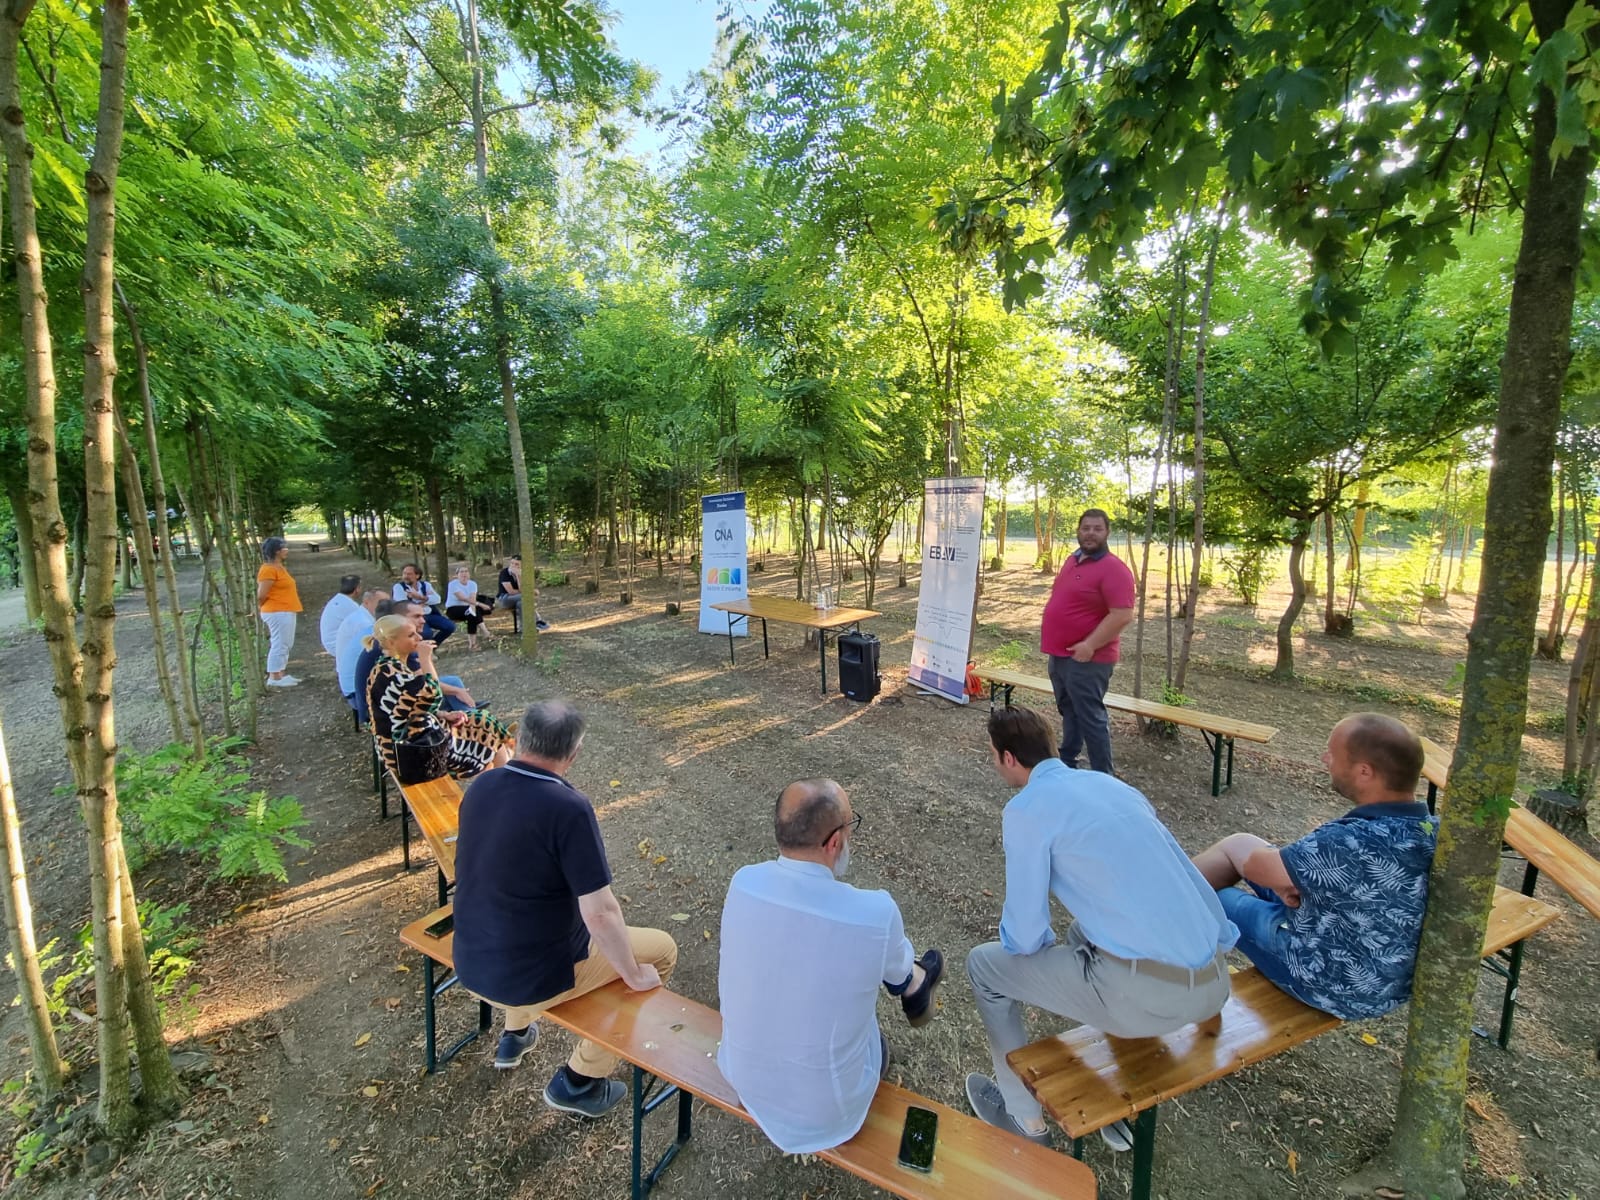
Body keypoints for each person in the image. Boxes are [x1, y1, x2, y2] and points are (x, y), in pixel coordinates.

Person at [966, 706, 1235, 1150]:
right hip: (1214, 981)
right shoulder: (1113, 787)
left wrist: (1036, 953)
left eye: (994, 755)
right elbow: (1190, 880)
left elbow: (1026, 935)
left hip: (1147, 998)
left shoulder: (1026, 810)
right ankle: (1114, 1094)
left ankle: (1023, 1119)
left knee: (984, 967)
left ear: (1008, 759)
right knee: (1082, 938)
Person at [452, 700, 677, 1117]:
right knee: (660, 950)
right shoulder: (568, 808)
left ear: (518, 739)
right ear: (572, 755)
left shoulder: (482, 785)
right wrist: (631, 972)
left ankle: (515, 1032)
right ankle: (581, 1080)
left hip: (469, 960)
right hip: (530, 976)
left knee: (520, 920)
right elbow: (601, 914)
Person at [717, 779, 944, 1154]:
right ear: (834, 842)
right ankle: (917, 985)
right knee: (881, 1023)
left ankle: (916, 984)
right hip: (831, 1113)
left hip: (744, 1077)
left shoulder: (743, 882)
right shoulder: (874, 911)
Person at [1191, 714, 1435, 1021]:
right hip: (1383, 976)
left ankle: (1149, 922)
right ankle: (1159, 899)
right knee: (1240, 842)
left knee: (1215, 898)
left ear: (1364, 772)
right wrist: (1286, 881)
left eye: (1333, 754)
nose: (1325, 759)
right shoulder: (1432, 831)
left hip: (1331, 982)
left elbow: (1255, 866)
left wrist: (1281, 880)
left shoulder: (1349, 840)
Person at [1039, 508, 1136, 774]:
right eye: (1086, 528)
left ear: (1107, 533)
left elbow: (1123, 614)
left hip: (1089, 659)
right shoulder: (1074, 559)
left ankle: (1103, 776)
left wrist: (1090, 645)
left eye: (1097, 529)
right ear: (1078, 531)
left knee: (1091, 717)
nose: (1090, 533)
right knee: (1069, 710)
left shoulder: (1115, 569)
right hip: (1060, 654)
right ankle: (1068, 759)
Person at [364, 615, 512, 782]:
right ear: (391, 642)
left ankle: (502, 776)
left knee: (483, 725)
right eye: (411, 635)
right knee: (487, 729)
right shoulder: (392, 673)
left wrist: (443, 715)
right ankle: (506, 783)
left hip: (409, 744)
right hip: (412, 755)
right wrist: (425, 659)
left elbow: (413, 709)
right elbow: (433, 694)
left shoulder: (385, 667)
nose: (419, 638)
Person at [354, 601, 479, 724]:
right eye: (417, 616)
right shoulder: (395, 649)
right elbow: (431, 692)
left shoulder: (393, 642)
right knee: (455, 691)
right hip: (385, 715)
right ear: (400, 619)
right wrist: (426, 659)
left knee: (453, 682)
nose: (423, 621)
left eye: (423, 616)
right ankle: (472, 721)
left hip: (389, 703)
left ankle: (469, 714)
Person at [256, 537, 302, 688]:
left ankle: (280, 673)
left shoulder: (279, 567)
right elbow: (261, 595)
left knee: (286, 643)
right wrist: (265, 607)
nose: (287, 550)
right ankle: (274, 677)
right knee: (279, 643)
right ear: (277, 551)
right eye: (284, 548)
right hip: (277, 611)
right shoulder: (268, 569)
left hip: (285, 610)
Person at [336, 588, 388, 707]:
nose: (385, 605)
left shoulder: (362, 618)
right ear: (366, 602)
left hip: (352, 684)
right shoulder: (364, 624)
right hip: (356, 692)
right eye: (381, 602)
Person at [393, 563, 455, 646]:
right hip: (413, 618)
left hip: (429, 614)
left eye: (409, 574)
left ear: (417, 576)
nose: (405, 576)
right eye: (404, 573)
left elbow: (437, 599)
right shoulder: (399, 587)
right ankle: (423, 650)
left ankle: (432, 647)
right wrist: (423, 603)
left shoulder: (425, 585)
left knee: (450, 626)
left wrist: (420, 597)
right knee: (426, 633)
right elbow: (402, 604)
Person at [445, 564, 496, 651]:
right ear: (457, 575)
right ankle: (485, 633)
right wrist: (480, 604)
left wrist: (474, 607)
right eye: (461, 572)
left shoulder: (472, 584)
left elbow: (472, 599)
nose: (464, 574)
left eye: (466, 571)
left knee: (472, 613)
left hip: (468, 606)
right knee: (472, 612)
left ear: (469, 574)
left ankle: (473, 644)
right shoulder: (453, 584)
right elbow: (462, 598)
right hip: (453, 609)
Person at [496, 554, 550, 633]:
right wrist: (531, 591)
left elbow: (522, 589)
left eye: (517, 564)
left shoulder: (522, 574)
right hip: (504, 599)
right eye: (512, 563)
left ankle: (524, 629)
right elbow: (511, 592)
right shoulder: (504, 573)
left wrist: (518, 576)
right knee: (526, 596)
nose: (513, 566)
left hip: (519, 598)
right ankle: (538, 620)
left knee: (521, 603)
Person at [319, 574, 362, 657]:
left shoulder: (339, 600)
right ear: (357, 589)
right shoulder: (349, 605)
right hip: (337, 644)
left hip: (332, 642)